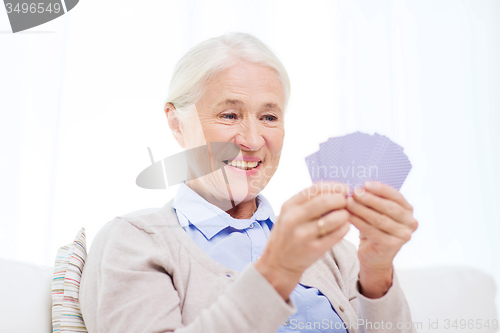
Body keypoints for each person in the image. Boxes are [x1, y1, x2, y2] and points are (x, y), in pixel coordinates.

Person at [80, 32, 419, 333]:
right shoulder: (135, 241)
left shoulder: (335, 252)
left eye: (269, 117)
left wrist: (376, 275)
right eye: (230, 115)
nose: (253, 140)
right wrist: (277, 272)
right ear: (177, 124)